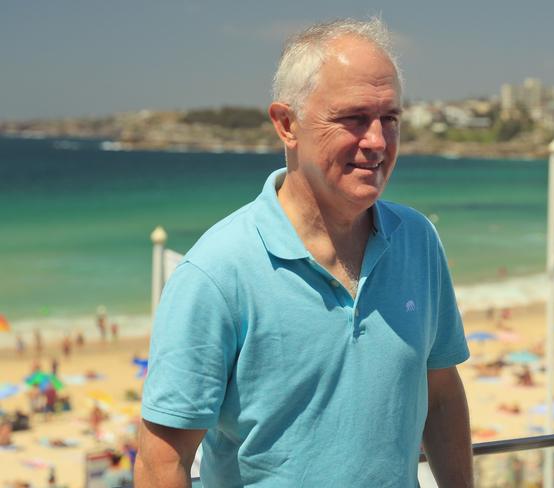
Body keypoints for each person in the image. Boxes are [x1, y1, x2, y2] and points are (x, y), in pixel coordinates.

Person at [136, 18, 472, 487]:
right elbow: (162, 462)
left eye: (389, 119)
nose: (377, 141)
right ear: (287, 124)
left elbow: (440, 396)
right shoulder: (217, 270)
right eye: (354, 118)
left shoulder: (417, 240)